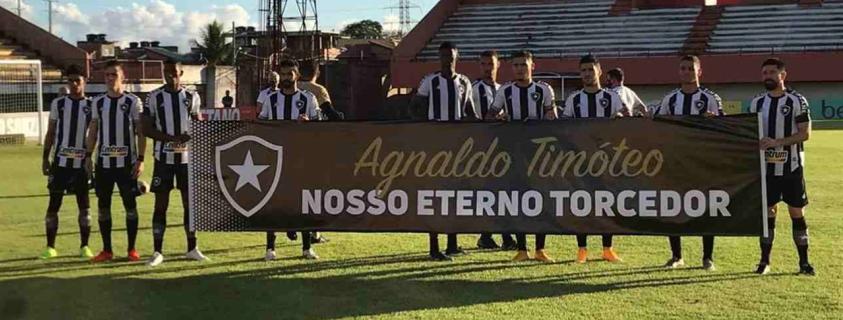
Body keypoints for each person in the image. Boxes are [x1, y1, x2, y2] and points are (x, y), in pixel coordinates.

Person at [487, 50, 556, 263]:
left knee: (541, 199)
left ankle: (540, 249)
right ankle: (522, 249)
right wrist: (501, 118)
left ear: (532, 66)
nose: (519, 68)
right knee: (518, 199)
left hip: (538, 154)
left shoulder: (544, 89)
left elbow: (553, 119)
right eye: (516, 65)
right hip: (513, 153)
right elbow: (490, 116)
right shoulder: (505, 91)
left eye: (523, 64)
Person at [656, 55, 724, 271]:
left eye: (690, 68)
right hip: (676, 161)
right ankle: (676, 256)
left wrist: (714, 121)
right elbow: (658, 126)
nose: (686, 72)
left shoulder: (711, 98)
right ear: (679, 72)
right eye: (683, 68)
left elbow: (725, 128)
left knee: (706, 207)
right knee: (673, 206)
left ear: (699, 72)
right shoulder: (670, 100)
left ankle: (708, 257)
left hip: (702, 161)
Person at [750, 58, 815, 276]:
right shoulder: (757, 102)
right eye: (764, 72)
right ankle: (764, 261)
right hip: (766, 169)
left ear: (782, 75)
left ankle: (804, 262)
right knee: (768, 213)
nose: (767, 76)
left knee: (796, 212)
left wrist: (776, 142)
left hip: (792, 167)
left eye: (771, 72)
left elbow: (805, 133)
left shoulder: (796, 100)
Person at [562, 55, 629, 264]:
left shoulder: (612, 97)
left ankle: (607, 248)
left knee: (606, 204)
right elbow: (564, 127)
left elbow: (629, 122)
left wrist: (620, 121)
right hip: (581, 159)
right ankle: (581, 249)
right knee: (581, 204)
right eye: (583, 70)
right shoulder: (574, 99)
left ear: (599, 71)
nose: (587, 74)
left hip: (606, 159)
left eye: (591, 69)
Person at [411, 41, 474, 261]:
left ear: (457, 56)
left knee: (454, 195)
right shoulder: (430, 82)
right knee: (435, 196)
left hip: (456, 147)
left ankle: (452, 245)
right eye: (444, 56)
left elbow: (470, 114)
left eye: (451, 55)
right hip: (435, 147)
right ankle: (434, 247)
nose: (447, 59)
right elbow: (414, 108)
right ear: (440, 58)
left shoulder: (465, 82)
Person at [142, 59, 208, 266]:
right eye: (166, 72)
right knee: (161, 205)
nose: (170, 75)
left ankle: (192, 247)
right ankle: (157, 251)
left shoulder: (192, 96)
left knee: (190, 205)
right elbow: (146, 129)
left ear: (181, 73)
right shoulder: (153, 97)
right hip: (163, 159)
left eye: (174, 72)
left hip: (187, 160)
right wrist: (170, 139)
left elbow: (199, 122)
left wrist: (194, 132)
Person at [258, 59, 322, 261]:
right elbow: (262, 124)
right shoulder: (271, 99)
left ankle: (306, 247)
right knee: (273, 202)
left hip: (299, 157)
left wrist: (308, 124)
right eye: (283, 74)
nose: (286, 78)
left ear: (296, 75)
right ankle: (270, 248)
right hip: (275, 157)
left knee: (301, 202)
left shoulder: (308, 98)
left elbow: (319, 126)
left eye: (289, 74)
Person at [87, 60, 146, 263]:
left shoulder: (133, 102)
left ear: (123, 78)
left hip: (126, 164)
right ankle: (107, 250)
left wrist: (140, 159)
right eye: (107, 75)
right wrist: (88, 156)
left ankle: (131, 249)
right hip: (103, 165)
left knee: (130, 206)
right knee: (103, 206)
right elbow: (93, 130)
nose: (110, 78)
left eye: (114, 74)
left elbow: (140, 132)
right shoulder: (98, 102)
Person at [39, 65, 94, 260]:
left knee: (84, 207)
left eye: (77, 80)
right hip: (60, 163)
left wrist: (90, 158)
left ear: (84, 81)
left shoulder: (91, 105)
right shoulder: (59, 104)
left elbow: (95, 134)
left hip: (81, 164)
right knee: (54, 204)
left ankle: (84, 246)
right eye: (70, 81)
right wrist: (45, 157)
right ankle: (50, 247)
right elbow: (51, 132)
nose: (73, 84)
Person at [472, 49, 516, 251]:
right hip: (481, 150)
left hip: (502, 149)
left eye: (491, 64)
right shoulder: (473, 89)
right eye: (483, 64)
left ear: (498, 65)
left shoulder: (503, 89)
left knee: (503, 192)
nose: (487, 68)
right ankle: (491, 234)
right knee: (490, 193)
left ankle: (497, 235)